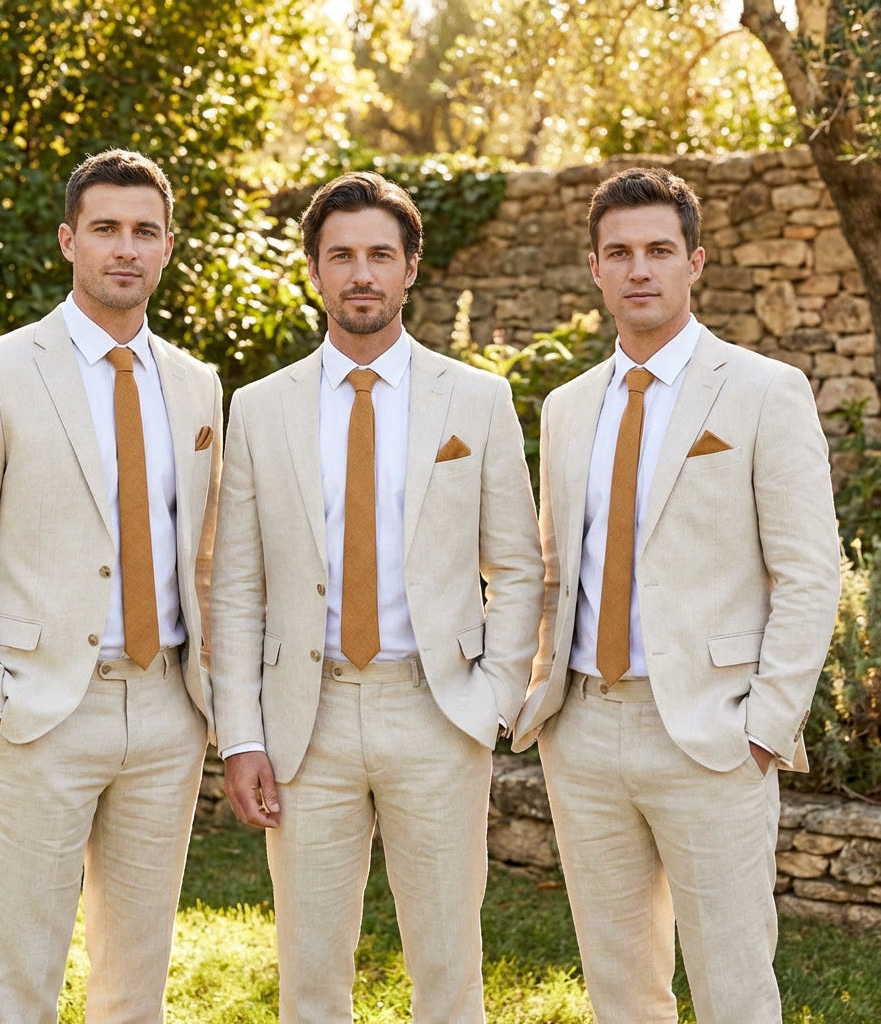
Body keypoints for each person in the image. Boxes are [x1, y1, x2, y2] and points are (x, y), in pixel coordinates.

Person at [210, 170, 543, 1023]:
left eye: (380, 256)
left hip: (435, 711)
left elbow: (517, 564)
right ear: (315, 272)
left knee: (447, 966)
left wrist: (493, 697)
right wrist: (241, 734)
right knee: (310, 973)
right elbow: (237, 585)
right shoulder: (258, 408)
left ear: (410, 269)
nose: (362, 273)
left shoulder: (478, 399)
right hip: (304, 718)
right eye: (342, 255)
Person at [512, 166, 841, 1024]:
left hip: (712, 734)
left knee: (733, 987)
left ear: (695, 262)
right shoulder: (568, 406)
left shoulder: (765, 390)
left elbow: (809, 572)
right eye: (618, 253)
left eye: (659, 249)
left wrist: (764, 728)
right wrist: (539, 702)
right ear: (595, 269)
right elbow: (554, 567)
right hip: (583, 731)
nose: (639, 269)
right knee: (621, 990)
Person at [0, 148, 221, 1024]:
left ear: (166, 248)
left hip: (167, 713)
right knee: (21, 977)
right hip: (40, 713)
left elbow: (205, 554)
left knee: (137, 979)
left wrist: (210, 701)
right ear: (68, 240)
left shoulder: (198, 386)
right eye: (105, 229)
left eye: (144, 231)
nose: (125, 248)